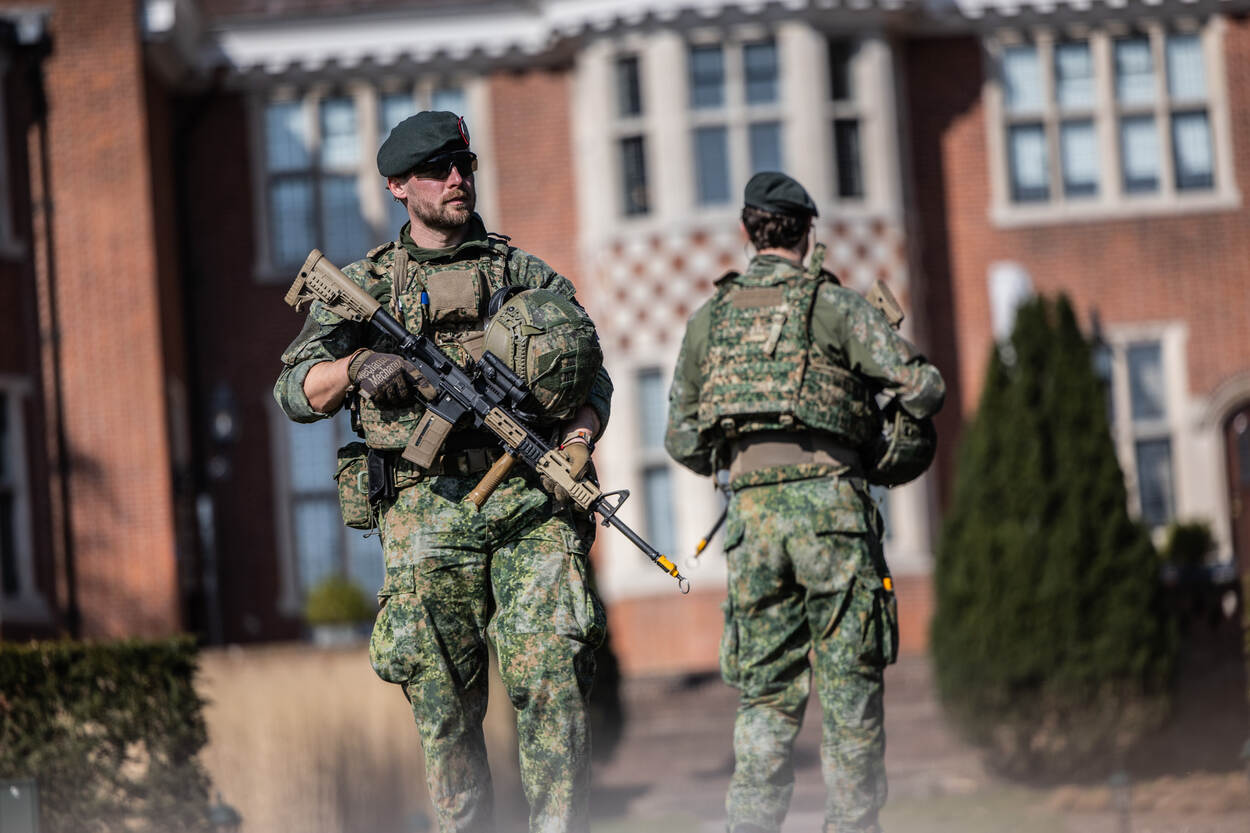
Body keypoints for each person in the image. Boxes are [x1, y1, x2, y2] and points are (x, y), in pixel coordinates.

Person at [274, 110, 612, 833]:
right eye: (437, 169)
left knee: (553, 676)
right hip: (425, 514)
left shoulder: (525, 275)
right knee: (446, 714)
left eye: (464, 164)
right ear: (398, 185)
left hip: (528, 500)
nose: (457, 179)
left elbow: (593, 377)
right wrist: (358, 363)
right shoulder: (365, 284)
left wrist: (578, 441)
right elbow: (294, 389)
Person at [665, 172, 945, 833]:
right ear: (807, 231)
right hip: (833, 518)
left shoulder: (710, 319)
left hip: (753, 525)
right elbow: (921, 388)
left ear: (746, 232)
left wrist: (733, 459)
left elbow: (680, 437)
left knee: (764, 698)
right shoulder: (838, 307)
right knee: (850, 694)